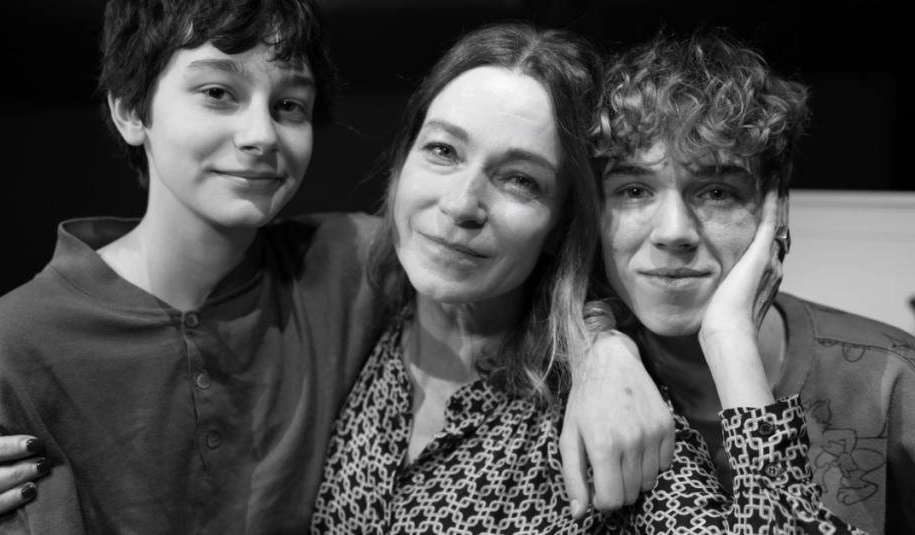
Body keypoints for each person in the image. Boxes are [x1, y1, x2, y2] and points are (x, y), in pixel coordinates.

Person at [0, 1, 673, 533]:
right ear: (130, 107)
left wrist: (605, 348)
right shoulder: (18, 338)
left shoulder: (346, 261)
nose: (260, 134)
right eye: (218, 93)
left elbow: (525, 269)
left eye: (290, 105)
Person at [309, 22, 864, 533]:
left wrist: (729, 341)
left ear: (563, 225)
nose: (460, 204)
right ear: (403, 160)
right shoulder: (356, 308)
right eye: (442, 150)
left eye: (520, 180)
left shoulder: (608, 408)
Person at [591, 32, 915, 534]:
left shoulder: (893, 379)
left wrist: (730, 344)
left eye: (717, 192)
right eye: (633, 190)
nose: (673, 232)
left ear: (775, 207)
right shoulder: (571, 375)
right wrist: (595, 348)